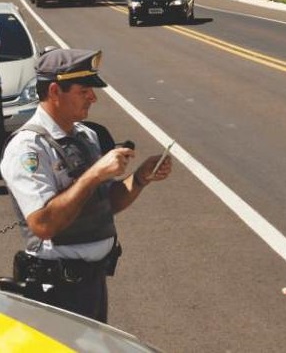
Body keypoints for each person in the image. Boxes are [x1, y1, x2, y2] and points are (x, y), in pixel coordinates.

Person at [0, 48, 172, 323]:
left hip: (92, 283)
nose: (93, 97)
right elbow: (44, 225)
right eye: (84, 90)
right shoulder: (28, 149)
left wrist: (140, 179)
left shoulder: (86, 135)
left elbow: (104, 203)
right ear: (55, 91)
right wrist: (93, 175)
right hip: (55, 289)